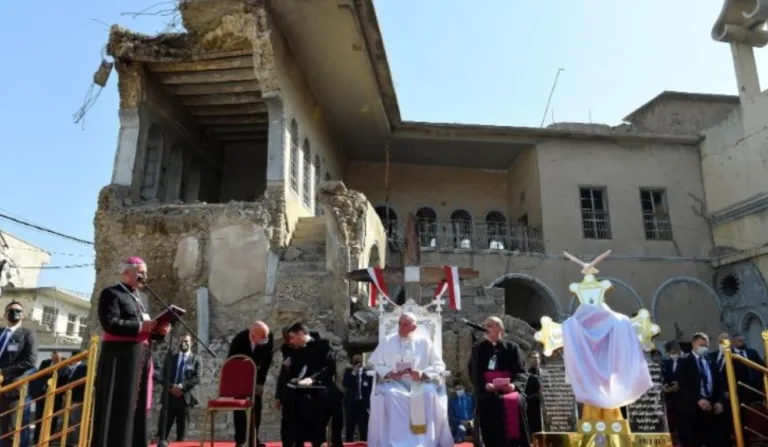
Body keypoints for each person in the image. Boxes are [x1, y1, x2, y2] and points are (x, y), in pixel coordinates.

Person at [90, 257, 170, 447]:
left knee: (137, 405)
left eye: (146, 272)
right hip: (120, 359)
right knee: (120, 405)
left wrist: (159, 332)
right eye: (141, 272)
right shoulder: (111, 293)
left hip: (140, 358)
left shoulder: (142, 298)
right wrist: (143, 325)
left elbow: (144, 331)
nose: (145, 276)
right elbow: (110, 323)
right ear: (126, 273)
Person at [367, 312, 453, 447]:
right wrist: (389, 372)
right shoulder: (388, 340)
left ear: (414, 328)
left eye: (405, 324)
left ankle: (425, 442)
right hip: (394, 383)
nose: (400, 327)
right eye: (399, 323)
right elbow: (376, 364)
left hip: (420, 383)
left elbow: (439, 365)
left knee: (429, 393)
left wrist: (423, 374)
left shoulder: (424, 342)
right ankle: (395, 442)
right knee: (391, 395)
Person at [468, 316, 529, 447]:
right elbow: (474, 372)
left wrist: (513, 386)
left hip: (510, 390)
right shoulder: (478, 349)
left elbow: (521, 372)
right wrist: (486, 385)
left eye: (490, 325)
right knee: (489, 403)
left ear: (500, 329)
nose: (486, 327)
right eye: (485, 325)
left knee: (516, 401)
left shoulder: (512, 348)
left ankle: (515, 444)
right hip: (488, 390)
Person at [278, 322, 335, 447]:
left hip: (317, 391)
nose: (291, 341)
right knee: (290, 423)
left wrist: (312, 379)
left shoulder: (323, 345)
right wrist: (279, 395)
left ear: (301, 334)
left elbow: (329, 368)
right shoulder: (292, 350)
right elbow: (285, 375)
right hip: (296, 393)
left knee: (315, 420)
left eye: (292, 337)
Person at [227, 321, 274, 447]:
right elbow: (231, 362)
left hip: (257, 376)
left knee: (256, 407)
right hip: (240, 377)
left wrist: (260, 384)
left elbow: (266, 362)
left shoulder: (268, 338)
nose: (266, 339)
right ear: (253, 336)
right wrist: (240, 383)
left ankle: (253, 439)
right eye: (263, 337)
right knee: (240, 408)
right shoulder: (239, 340)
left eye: (266, 336)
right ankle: (240, 441)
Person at [0, 301, 37, 447]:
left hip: (12, 389)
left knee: (9, 431)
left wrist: (3, 373)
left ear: (23, 315)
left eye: (18, 311)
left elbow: (30, 360)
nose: (15, 313)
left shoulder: (28, 334)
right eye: (11, 310)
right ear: (5, 314)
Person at [678, 332, 725, 447]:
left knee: (713, 440)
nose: (704, 348)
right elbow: (683, 385)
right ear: (694, 344)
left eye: (706, 346)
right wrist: (698, 400)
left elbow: (719, 383)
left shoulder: (711, 361)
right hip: (693, 408)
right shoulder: (684, 362)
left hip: (711, 407)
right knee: (694, 441)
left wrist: (719, 401)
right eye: (702, 345)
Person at [157, 334, 202, 442]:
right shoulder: (171, 358)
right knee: (162, 432)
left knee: (182, 434)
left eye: (186, 341)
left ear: (191, 343)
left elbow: (197, 378)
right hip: (169, 398)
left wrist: (182, 387)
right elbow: (163, 376)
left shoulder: (196, 359)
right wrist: (172, 387)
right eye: (181, 341)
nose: (183, 343)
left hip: (185, 399)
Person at [29, 350, 62, 445]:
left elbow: (63, 380)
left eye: (58, 358)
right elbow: (39, 377)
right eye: (55, 357)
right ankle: (36, 440)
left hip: (55, 398)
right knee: (39, 418)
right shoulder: (45, 363)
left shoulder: (64, 365)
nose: (56, 359)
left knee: (52, 420)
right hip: (42, 396)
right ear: (51, 356)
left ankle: (48, 441)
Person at [342, 352, 372, 442]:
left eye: (359, 360)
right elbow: (345, 383)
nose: (357, 362)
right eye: (355, 360)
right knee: (349, 428)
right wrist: (354, 372)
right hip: (351, 405)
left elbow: (371, 388)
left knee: (363, 428)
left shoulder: (368, 373)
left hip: (363, 405)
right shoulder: (348, 371)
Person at [61, 351, 88, 447]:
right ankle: (69, 442)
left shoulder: (82, 368)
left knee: (76, 422)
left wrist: (78, 400)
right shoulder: (71, 369)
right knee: (70, 422)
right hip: (69, 400)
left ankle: (77, 443)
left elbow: (81, 385)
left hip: (77, 400)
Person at [662, 341, 682, 446]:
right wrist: (665, 386)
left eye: (675, 350)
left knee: (682, 423)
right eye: (671, 351)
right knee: (672, 422)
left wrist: (679, 385)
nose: (673, 353)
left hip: (682, 397)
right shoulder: (667, 363)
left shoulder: (684, 362)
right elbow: (665, 377)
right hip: (670, 397)